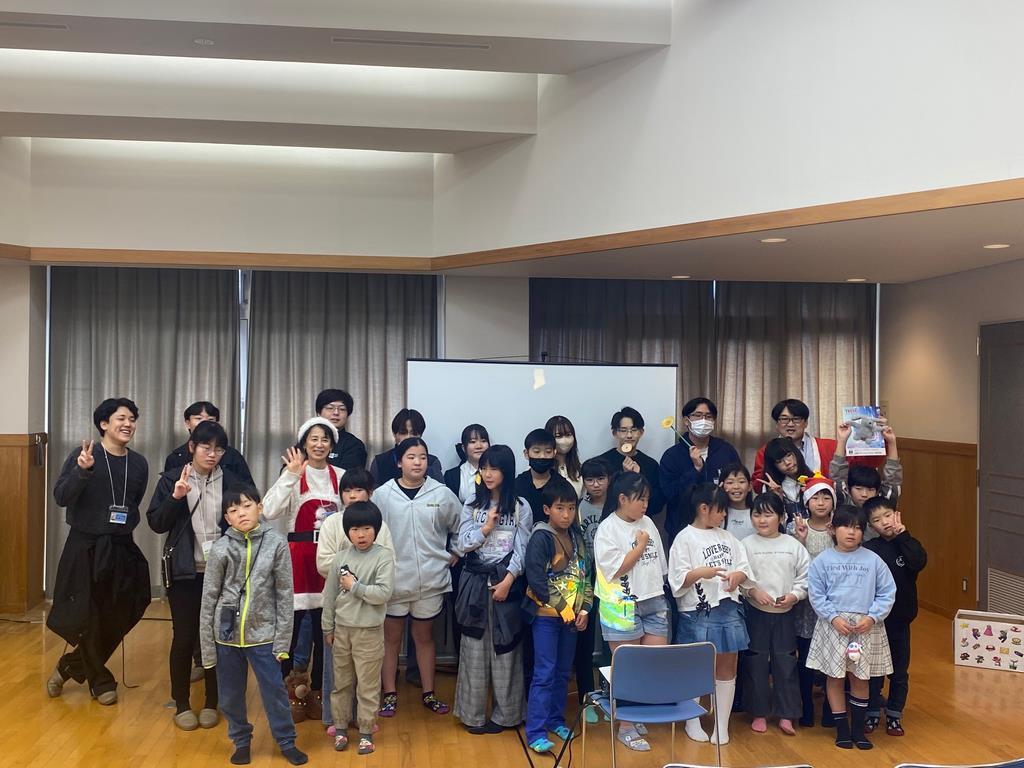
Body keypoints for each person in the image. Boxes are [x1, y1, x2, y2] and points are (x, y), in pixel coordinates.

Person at [46, 397, 150, 707]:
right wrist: (82, 471)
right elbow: (61, 497)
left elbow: (133, 502)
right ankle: (100, 681)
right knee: (89, 616)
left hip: (120, 545)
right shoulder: (84, 456)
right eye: (121, 418)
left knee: (130, 604)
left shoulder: (139, 463)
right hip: (85, 545)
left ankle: (69, 666)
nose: (128, 424)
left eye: (132, 418)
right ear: (104, 424)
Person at [199, 484, 307, 766]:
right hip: (226, 637)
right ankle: (241, 741)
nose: (241, 513)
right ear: (227, 518)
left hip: (264, 635)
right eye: (233, 510)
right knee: (230, 696)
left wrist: (282, 642)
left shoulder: (276, 543)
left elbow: (285, 595)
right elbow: (208, 599)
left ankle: (286, 741)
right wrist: (208, 649)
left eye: (247, 506)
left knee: (274, 692)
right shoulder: (221, 548)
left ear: (260, 507)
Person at [148, 420, 244, 730]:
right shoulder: (172, 479)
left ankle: (212, 702)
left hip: (222, 573)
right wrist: (176, 497)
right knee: (185, 637)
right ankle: (181, 703)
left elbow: (246, 523)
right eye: (206, 447)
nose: (212, 454)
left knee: (217, 638)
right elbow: (156, 523)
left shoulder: (232, 481)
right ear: (192, 447)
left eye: (218, 449)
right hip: (185, 573)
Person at [262, 417, 345, 722]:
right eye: (314, 438)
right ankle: (290, 690)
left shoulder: (341, 476)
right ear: (304, 443)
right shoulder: (294, 473)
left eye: (325, 439)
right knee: (291, 630)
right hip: (297, 559)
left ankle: (320, 691)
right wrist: (290, 476)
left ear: (332, 444)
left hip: (330, 560)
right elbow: (268, 511)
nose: (319, 444)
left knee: (326, 631)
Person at [372, 437, 462, 717]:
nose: (418, 462)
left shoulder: (441, 493)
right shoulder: (383, 495)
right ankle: (389, 694)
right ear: (399, 462)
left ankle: (429, 693)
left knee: (424, 637)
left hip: (431, 580)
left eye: (422, 457)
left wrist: (455, 552)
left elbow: (461, 526)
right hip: (393, 580)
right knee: (391, 638)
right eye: (411, 457)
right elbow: (371, 532)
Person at [454, 445, 532, 735]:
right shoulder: (472, 503)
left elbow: (522, 549)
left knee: (506, 647)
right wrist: (485, 528)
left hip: (506, 581)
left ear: (506, 471)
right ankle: (472, 715)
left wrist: (509, 581)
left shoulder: (521, 506)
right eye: (484, 468)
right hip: (474, 581)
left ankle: (507, 715)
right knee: (473, 648)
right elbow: (462, 544)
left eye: (494, 468)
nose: (487, 474)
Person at [669, 483, 753, 746]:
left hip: (728, 608)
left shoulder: (729, 538)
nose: (724, 515)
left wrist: (738, 576)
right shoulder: (684, 538)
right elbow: (677, 580)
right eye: (720, 510)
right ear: (703, 508)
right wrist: (700, 573)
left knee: (727, 667)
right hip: (697, 611)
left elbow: (744, 569)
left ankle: (721, 725)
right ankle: (692, 721)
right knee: (695, 666)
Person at [806, 505, 896, 751]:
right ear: (833, 529)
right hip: (834, 626)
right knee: (835, 677)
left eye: (857, 528)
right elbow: (816, 594)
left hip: (865, 627)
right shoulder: (823, 560)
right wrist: (833, 617)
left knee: (860, 678)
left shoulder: (873, 560)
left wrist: (873, 617)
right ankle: (842, 730)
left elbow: (887, 592)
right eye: (846, 526)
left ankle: (858, 730)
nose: (851, 532)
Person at [593, 472, 669, 752]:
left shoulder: (648, 523)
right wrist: (640, 545)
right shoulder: (607, 529)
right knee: (627, 666)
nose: (645, 505)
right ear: (622, 499)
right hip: (620, 604)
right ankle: (625, 724)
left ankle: (636, 713)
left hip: (653, 599)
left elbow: (660, 565)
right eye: (640, 499)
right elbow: (617, 569)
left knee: (652, 663)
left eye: (647, 499)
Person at [315, 467, 394, 735]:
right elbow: (324, 564)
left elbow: (386, 566)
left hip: (369, 618)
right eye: (347, 490)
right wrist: (350, 575)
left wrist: (354, 581)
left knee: (367, 677)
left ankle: (365, 723)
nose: (352, 495)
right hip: (342, 616)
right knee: (339, 675)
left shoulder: (379, 526)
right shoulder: (331, 523)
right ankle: (336, 720)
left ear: (369, 493)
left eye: (359, 489)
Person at [523, 476, 593, 754]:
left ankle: (555, 720)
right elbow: (537, 580)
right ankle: (536, 731)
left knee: (564, 672)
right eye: (560, 508)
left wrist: (585, 607)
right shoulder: (540, 537)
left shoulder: (577, 536)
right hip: (546, 618)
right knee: (545, 672)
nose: (566, 514)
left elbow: (586, 575)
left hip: (572, 618)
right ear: (547, 509)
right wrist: (564, 608)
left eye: (571, 508)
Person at [740, 493, 810, 736]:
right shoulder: (745, 545)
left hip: (785, 613)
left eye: (768, 514)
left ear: (781, 518)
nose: (762, 520)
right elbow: (739, 576)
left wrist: (794, 595)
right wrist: (752, 591)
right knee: (756, 663)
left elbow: (805, 577)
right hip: (755, 612)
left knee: (786, 662)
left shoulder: (792, 545)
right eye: (757, 514)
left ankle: (787, 714)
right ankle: (758, 713)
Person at [863, 497, 927, 738]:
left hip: (901, 620)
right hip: (875, 622)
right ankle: (871, 711)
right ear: (871, 526)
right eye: (877, 520)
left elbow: (918, 562)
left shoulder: (908, 543)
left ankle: (894, 714)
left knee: (899, 672)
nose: (885, 522)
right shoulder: (870, 549)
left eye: (888, 515)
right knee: (873, 671)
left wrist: (903, 536)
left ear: (896, 514)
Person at [789, 473, 838, 727]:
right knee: (805, 657)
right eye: (815, 497)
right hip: (805, 604)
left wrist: (835, 538)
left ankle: (831, 711)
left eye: (826, 498)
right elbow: (792, 563)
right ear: (807, 501)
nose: (820, 503)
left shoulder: (838, 528)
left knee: (832, 658)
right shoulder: (797, 527)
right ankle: (805, 708)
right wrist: (800, 540)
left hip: (833, 603)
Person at [752, 398, 880, 489]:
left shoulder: (830, 447)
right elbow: (758, 486)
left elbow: (865, 464)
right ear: (777, 424)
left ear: (806, 423)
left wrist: (878, 437)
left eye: (796, 419)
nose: (790, 424)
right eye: (784, 419)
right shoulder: (766, 451)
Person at [660, 397, 741, 538]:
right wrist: (695, 470)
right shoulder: (672, 456)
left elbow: (739, 482)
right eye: (698, 415)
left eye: (708, 416)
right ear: (686, 420)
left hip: (721, 527)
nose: (703, 420)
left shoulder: (726, 451)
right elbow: (669, 494)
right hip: (683, 529)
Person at [574, 457, 610, 718]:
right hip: (585, 579)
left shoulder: (617, 506)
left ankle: (610, 696)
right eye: (590, 479)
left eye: (600, 479)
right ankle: (586, 698)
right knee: (584, 641)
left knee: (611, 640)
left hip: (612, 580)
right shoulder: (577, 508)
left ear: (609, 480)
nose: (595, 484)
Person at [832, 421, 903, 541]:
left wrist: (891, 442)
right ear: (849, 488)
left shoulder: (883, 503)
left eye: (870, 489)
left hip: (880, 551)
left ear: (877, 491)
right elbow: (838, 476)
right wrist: (842, 440)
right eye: (858, 489)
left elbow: (892, 480)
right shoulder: (844, 501)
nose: (864, 494)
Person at [596, 406, 666, 525]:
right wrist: (626, 477)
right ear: (614, 433)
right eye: (623, 430)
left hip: (641, 523)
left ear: (641, 432)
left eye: (633, 430)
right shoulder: (602, 462)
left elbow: (657, 505)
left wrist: (637, 480)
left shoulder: (651, 465)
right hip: (609, 524)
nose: (629, 435)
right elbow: (598, 498)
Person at [164, 400, 253, 484]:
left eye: (210, 419)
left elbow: (247, 489)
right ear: (188, 423)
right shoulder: (175, 458)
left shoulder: (232, 456)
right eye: (198, 418)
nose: (204, 422)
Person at [369, 408, 443, 485]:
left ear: (420, 435)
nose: (408, 437)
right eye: (403, 433)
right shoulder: (380, 462)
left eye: (414, 433)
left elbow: (440, 491)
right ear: (394, 434)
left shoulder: (431, 462)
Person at [762, 437, 813, 524]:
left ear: (796, 453)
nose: (787, 463)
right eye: (779, 461)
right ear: (774, 467)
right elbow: (771, 522)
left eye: (789, 455)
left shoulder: (813, 479)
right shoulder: (771, 487)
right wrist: (777, 498)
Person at [316, 389, 368, 471]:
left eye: (342, 409)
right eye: (330, 408)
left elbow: (349, 477)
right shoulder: (306, 441)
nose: (336, 412)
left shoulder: (354, 445)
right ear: (319, 413)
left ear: (348, 415)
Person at [515, 428, 558, 525]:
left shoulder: (562, 485)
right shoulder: (517, 484)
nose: (542, 456)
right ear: (526, 454)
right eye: (536, 451)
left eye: (548, 452)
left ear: (554, 453)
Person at [444, 423, 491, 503]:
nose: (479, 446)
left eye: (483, 441)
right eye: (473, 442)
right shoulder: (451, 476)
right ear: (463, 448)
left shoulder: (499, 471)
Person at [546, 415, 584, 498]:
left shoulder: (579, 469)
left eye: (568, 434)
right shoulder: (540, 469)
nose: (565, 440)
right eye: (558, 436)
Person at [719, 462, 756, 540]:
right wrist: (715, 499)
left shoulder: (758, 512)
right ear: (722, 486)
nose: (736, 487)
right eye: (730, 482)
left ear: (750, 486)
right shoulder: (717, 514)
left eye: (741, 482)